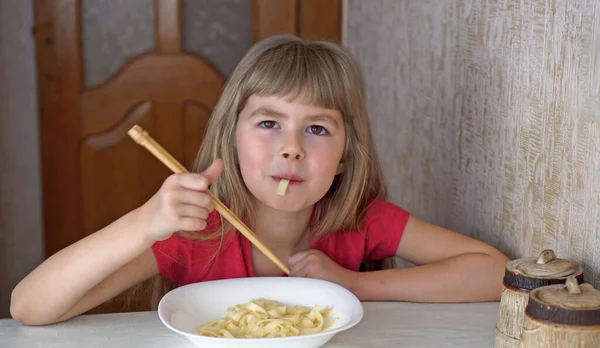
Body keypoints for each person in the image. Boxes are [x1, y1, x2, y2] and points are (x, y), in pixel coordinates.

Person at [10, 35, 509, 326]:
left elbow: (496, 273)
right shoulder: (194, 231)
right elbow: (30, 307)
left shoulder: (359, 218)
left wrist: (354, 284)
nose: (291, 147)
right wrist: (145, 223)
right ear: (231, 137)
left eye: (316, 129)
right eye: (269, 123)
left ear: (342, 160)